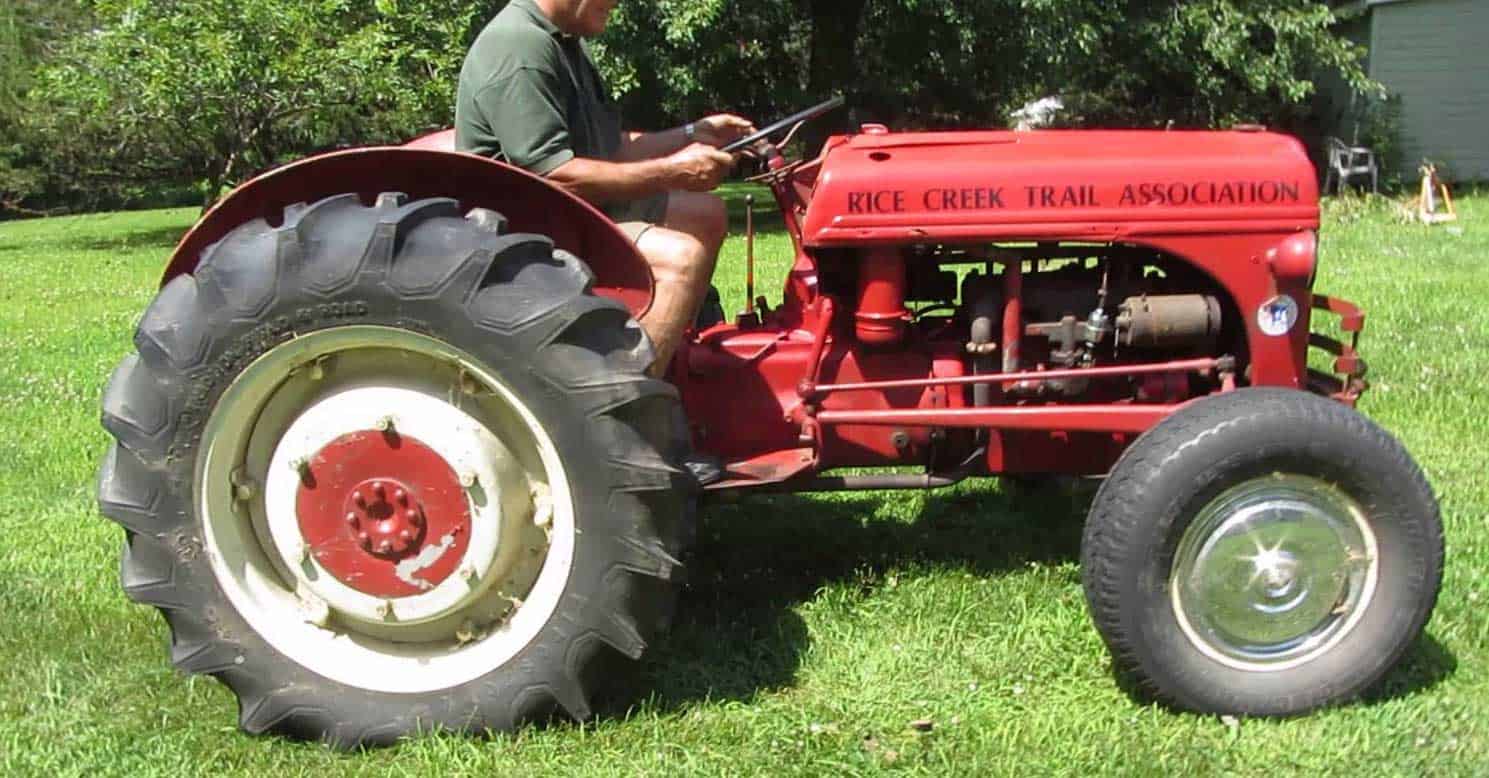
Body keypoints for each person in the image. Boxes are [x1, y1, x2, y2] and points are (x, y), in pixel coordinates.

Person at [455, 0, 755, 375]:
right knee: (680, 259)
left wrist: (695, 133)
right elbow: (553, 175)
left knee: (705, 213)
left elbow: (612, 150)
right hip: (529, 237)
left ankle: (675, 357)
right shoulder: (519, 47)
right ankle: (629, 407)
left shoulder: (564, 43)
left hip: (572, 211)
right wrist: (670, 172)